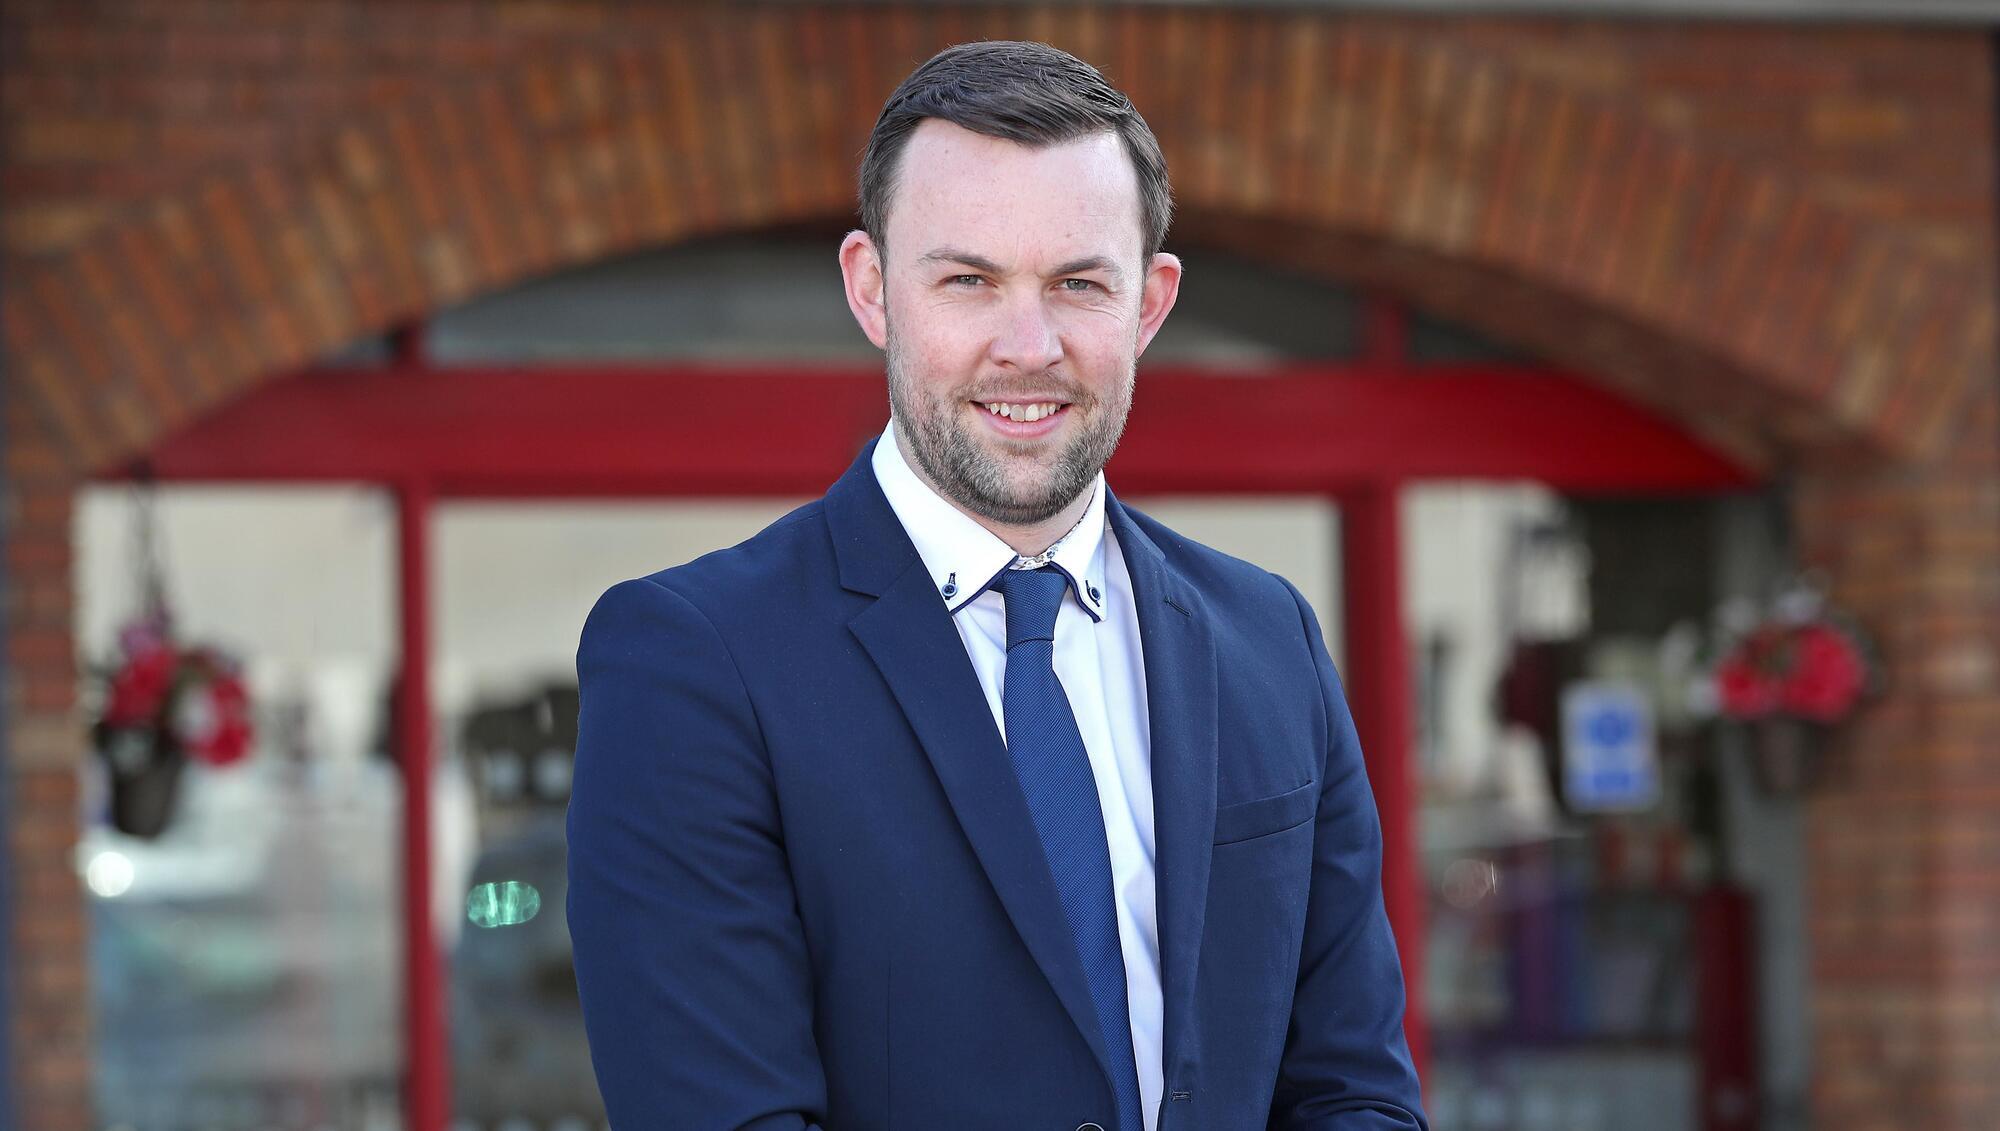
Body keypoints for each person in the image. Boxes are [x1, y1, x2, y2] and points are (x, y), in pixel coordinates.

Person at [566, 40, 1428, 1131]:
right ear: (872, 290)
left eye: (1078, 283)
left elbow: (1353, 1091)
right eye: (968, 280)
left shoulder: (1269, 642)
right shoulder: (695, 664)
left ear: (1150, 302)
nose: (1028, 347)